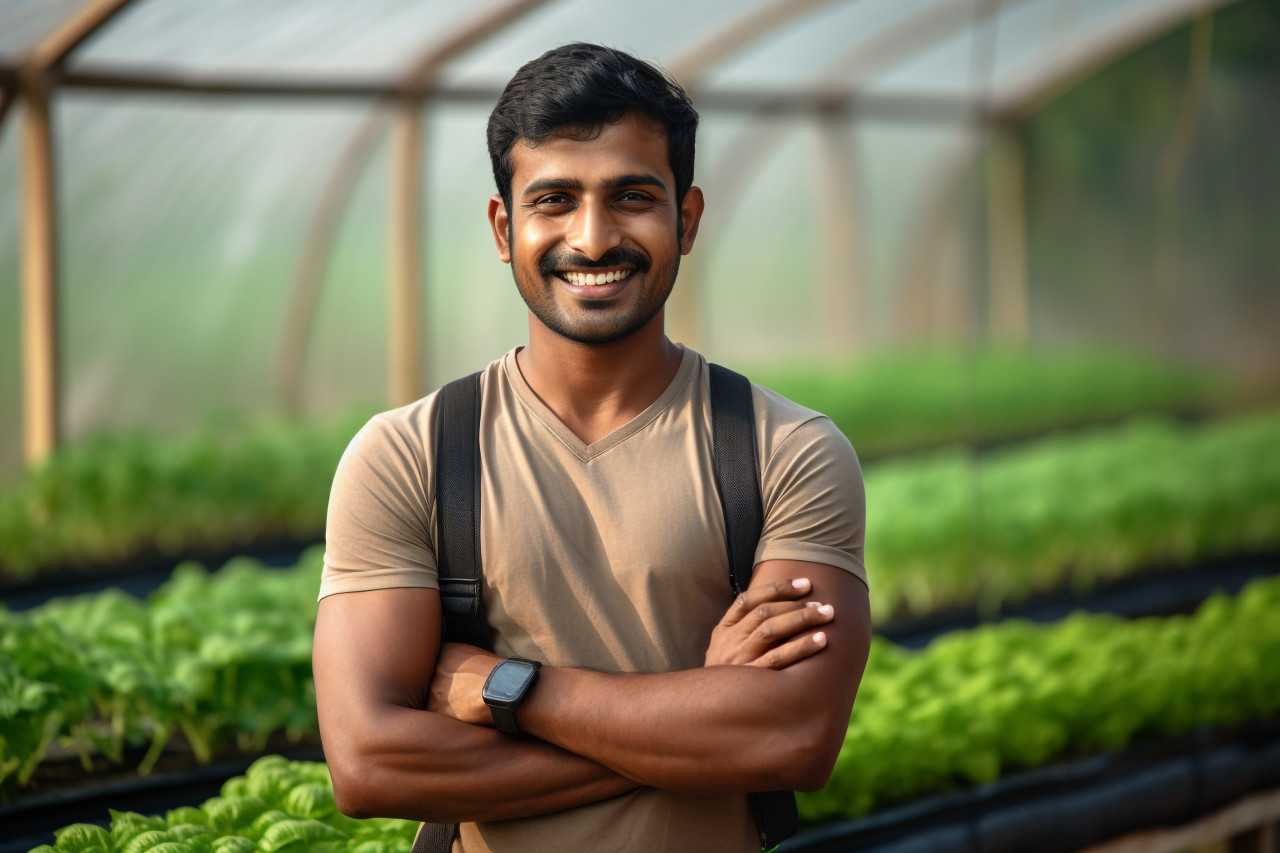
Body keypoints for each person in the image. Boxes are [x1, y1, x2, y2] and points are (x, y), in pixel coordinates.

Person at [312, 42, 871, 853]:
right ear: (505, 228)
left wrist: (509, 690)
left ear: (686, 218)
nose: (593, 235)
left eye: (632, 196)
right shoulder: (410, 456)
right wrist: (701, 721)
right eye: (554, 200)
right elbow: (369, 764)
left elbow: (793, 739)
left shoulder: (784, 451)